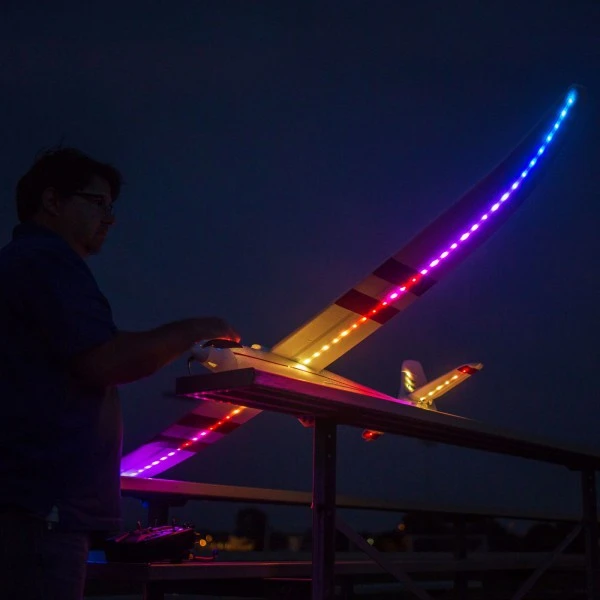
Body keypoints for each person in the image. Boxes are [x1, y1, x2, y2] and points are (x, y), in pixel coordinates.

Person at [0, 148, 240, 599]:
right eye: (98, 203)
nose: (109, 218)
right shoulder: (46, 263)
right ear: (52, 201)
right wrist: (194, 330)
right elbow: (106, 359)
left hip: (35, 506)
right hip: (42, 508)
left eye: (112, 206)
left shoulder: (24, 264)